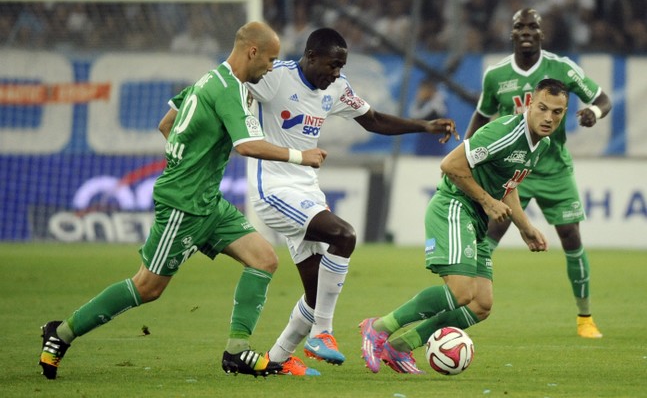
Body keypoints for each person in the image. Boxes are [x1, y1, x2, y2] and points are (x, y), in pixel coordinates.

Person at [38, 21, 327, 380]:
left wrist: (188, 158)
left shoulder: (207, 81)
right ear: (252, 51)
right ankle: (61, 333)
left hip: (208, 201)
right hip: (183, 206)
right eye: (269, 59)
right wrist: (302, 156)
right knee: (147, 287)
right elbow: (247, 145)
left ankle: (236, 352)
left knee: (264, 259)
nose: (271, 67)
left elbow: (166, 123)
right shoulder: (231, 91)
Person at [245, 27, 458, 375]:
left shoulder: (337, 89)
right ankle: (323, 334)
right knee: (344, 235)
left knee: (317, 293)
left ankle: (277, 359)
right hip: (273, 186)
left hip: (307, 189)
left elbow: (373, 120)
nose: (336, 74)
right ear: (311, 56)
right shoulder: (275, 78)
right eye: (332, 65)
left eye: (341, 67)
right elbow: (229, 85)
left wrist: (425, 125)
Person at [360, 78, 567, 374]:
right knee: (461, 293)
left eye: (557, 112)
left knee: (480, 305)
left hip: (477, 218)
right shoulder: (505, 132)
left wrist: (525, 227)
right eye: (543, 108)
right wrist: (486, 201)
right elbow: (450, 165)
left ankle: (400, 347)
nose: (549, 117)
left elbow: (507, 185)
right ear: (530, 104)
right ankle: (379, 327)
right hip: (455, 206)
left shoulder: (541, 144)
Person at [463, 8, 612, 339]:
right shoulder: (496, 75)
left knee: (571, 237)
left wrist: (592, 112)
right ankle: (469, 302)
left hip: (555, 168)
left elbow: (603, 99)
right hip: (513, 168)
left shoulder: (561, 68)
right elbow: (481, 116)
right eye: (520, 26)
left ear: (542, 33)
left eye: (533, 26)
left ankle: (585, 318)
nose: (527, 31)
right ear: (512, 33)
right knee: (490, 234)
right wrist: (465, 154)